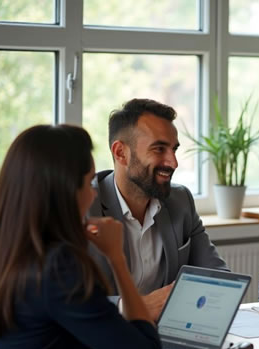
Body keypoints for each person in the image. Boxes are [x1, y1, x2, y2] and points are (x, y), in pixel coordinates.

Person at [0, 125, 161, 349]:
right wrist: (117, 258)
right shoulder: (58, 268)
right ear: (64, 190)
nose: (92, 195)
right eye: (89, 182)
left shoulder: (0, 252)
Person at [89, 98, 229, 320]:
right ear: (120, 153)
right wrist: (136, 306)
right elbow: (68, 302)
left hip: (166, 335)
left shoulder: (180, 200)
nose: (173, 162)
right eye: (159, 149)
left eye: (173, 150)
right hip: (103, 342)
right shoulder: (84, 207)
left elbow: (219, 279)